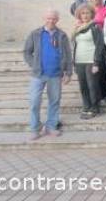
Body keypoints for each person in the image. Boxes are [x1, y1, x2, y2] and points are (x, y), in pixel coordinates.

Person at [24, 9, 72, 140]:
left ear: (57, 20)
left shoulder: (62, 35)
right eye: (48, 18)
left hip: (56, 74)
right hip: (38, 74)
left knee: (54, 101)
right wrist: (33, 64)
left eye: (54, 19)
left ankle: (51, 126)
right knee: (34, 101)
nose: (51, 21)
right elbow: (27, 52)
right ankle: (35, 128)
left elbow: (68, 54)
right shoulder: (35, 34)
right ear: (44, 18)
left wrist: (68, 73)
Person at [71, 4, 105, 120]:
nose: (85, 15)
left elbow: (100, 46)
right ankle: (86, 106)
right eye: (83, 13)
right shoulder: (77, 28)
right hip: (79, 60)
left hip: (91, 60)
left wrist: (96, 62)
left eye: (87, 13)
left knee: (92, 85)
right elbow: (74, 44)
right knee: (83, 86)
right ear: (79, 15)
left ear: (92, 14)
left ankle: (94, 108)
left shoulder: (95, 27)